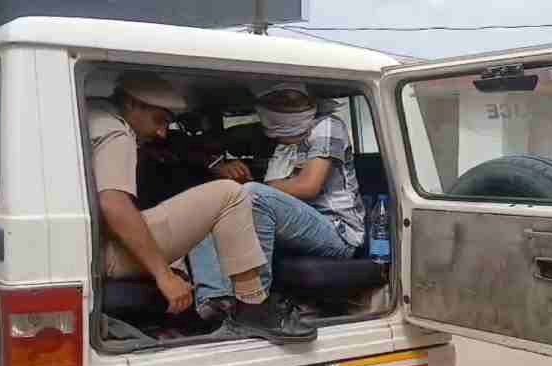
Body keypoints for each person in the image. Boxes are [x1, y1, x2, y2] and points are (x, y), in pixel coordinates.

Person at [89, 72, 316, 344]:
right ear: (132, 104)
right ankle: (252, 306)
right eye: (159, 120)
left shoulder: (92, 114)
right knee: (230, 194)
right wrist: (164, 275)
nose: (162, 132)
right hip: (104, 252)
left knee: (203, 210)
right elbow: (113, 203)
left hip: (90, 246)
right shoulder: (116, 133)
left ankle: (213, 305)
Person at [190, 82, 365, 321]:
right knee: (210, 204)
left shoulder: (327, 126)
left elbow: (308, 186)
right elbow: (202, 146)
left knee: (253, 194)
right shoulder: (276, 138)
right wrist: (218, 166)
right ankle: (216, 301)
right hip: (293, 229)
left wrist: (250, 189)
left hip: (337, 232)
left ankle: (255, 304)